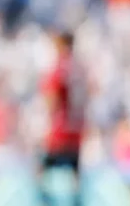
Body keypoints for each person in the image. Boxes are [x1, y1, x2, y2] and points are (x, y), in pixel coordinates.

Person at [41, 32, 85, 206]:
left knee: (43, 167)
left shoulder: (59, 68)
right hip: (77, 128)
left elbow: (51, 100)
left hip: (60, 128)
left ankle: (44, 200)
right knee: (75, 172)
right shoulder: (80, 68)